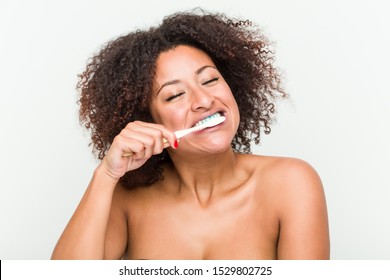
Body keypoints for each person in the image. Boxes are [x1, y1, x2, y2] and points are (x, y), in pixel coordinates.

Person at [51, 9, 329, 260]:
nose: (204, 100)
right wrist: (106, 176)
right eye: (175, 95)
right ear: (147, 120)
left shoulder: (291, 183)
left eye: (210, 80)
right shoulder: (127, 198)